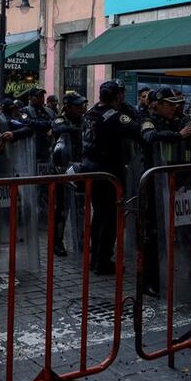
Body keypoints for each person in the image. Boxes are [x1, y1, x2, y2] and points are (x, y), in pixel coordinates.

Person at [139, 87, 191, 294]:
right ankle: (150, 281)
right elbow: (149, 137)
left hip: (179, 184)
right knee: (153, 233)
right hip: (155, 185)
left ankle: (179, 272)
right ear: (158, 104)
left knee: (181, 230)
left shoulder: (177, 120)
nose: (175, 108)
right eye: (170, 104)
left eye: (176, 104)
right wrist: (178, 135)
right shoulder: (148, 120)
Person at [80, 80, 141, 275]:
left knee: (98, 216)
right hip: (108, 172)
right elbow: (135, 127)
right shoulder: (113, 116)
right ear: (118, 96)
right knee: (109, 218)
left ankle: (95, 258)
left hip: (91, 168)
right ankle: (103, 261)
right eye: (121, 93)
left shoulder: (91, 111)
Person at [51, 91, 88, 257]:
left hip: (79, 167)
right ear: (68, 107)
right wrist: (77, 129)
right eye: (78, 106)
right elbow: (58, 128)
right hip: (62, 169)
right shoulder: (62, 119)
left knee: (81, 207)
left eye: (82, 105)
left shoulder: (84, 120)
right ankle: (57, 242)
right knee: (62, 209)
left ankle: (81, 240)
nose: (81, 108)